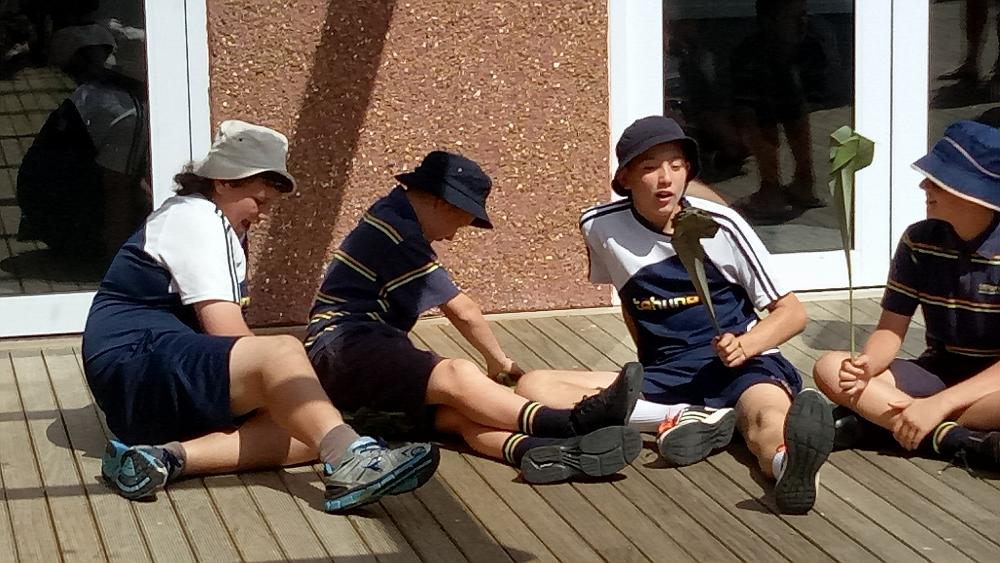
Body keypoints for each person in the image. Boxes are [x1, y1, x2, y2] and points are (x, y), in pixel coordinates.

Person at [82, 120, 438, 513]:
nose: (263, 212)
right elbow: (225, 331)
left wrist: (295, 396)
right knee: (283, 357)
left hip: (147, 391)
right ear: (223, 181)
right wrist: (287, 382)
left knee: (309, 429)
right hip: (134, 365)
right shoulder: (195, 217)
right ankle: (353, 460)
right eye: (258, 199)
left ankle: (163, 459)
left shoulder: (221, 225)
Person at [515, 116, 835, 513]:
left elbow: (792, 313)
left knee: (768, 419)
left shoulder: (721, 225)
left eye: (677, 165)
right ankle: (689, 416)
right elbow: (630, 298)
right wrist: (645, 365)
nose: (665, 178)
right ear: (626, 177)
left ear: (688, 172)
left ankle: (790, 468)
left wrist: (746, 344)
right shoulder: (599, 226)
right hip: (666, 372)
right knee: (535, 386)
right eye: (650, 167)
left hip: (743, 365)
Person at [306, 150, 643, 484]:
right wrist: (499, 362)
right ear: (443, 203)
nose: (451, 236)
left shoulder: (389, 215)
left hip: (349, 381)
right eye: (460, 222)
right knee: (457, 374)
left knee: (459, 415)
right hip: (342, 345)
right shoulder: (398, 231)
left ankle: (544, 450)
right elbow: (462, 311)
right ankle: (572, 422)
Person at [814, 120, 1000, 469]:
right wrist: (868, 363)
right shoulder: (919, 240)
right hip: (938, 371)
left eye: (939, 181)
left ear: (975, 194)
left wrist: (940, 404)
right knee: (830, 369)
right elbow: (890, 328)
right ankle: (955, 439)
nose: (923, 185)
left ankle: (879, 423)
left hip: (992, 385)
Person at [16, 23, 150, 264]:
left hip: (39, 204)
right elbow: (116, 189)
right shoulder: (128, 112)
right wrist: (118, 265)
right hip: (68, 221)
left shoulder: (96, 90)